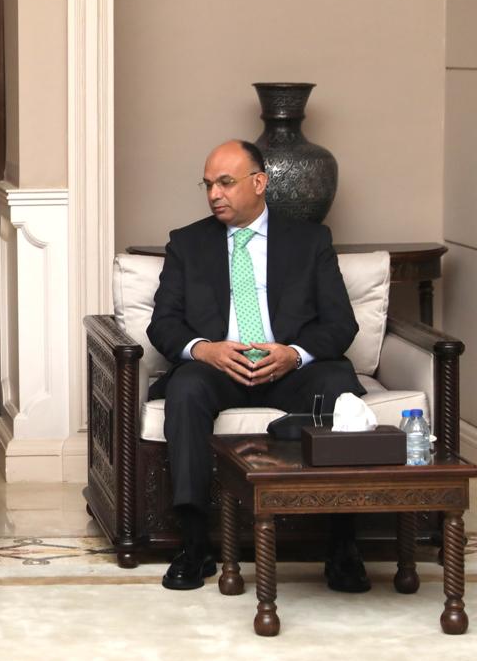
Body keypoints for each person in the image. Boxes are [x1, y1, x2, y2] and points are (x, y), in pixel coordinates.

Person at [147, 140, 368, 592]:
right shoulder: (187, 244)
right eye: (208, 185)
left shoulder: (310, 241)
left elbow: (340, 323)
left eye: (226, 182)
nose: (215, 194)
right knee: (185, 389)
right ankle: (194, 543)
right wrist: (204, 349)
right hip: (220, 370)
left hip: (289, 370)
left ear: (260, 182)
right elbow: (163, 324)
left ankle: (342, 542)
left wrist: (293, 353)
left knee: (337, 383)